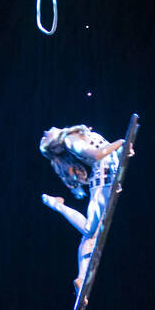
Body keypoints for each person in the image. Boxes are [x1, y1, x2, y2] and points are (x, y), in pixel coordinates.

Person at [38, 124, 128, 292]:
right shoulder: (70, 141)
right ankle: (57, 205)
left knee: (89, 236)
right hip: (102, 183)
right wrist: (122, 142)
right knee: (89, 232)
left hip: (106, 180)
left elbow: (108, 153)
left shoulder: (74, 137)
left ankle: (81, 277)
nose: (45, 131)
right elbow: (97, 154)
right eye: (45, 137)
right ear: (54, 146)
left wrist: (122, 151)